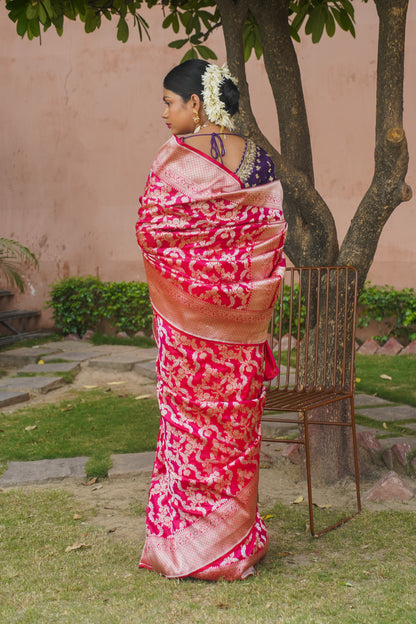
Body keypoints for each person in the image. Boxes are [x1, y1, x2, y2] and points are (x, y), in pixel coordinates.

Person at [136, 59, 287, 581]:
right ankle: (233, 544)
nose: (164, 114)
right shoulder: (260, 164)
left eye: (169, 102)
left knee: (188, 433)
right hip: (242, 335)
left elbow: (152, 233)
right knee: (233, 434)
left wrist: (197, 284)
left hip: (189, 332)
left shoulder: (174, 162)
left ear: (196, 105)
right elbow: (270, 242)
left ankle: (186, 548)